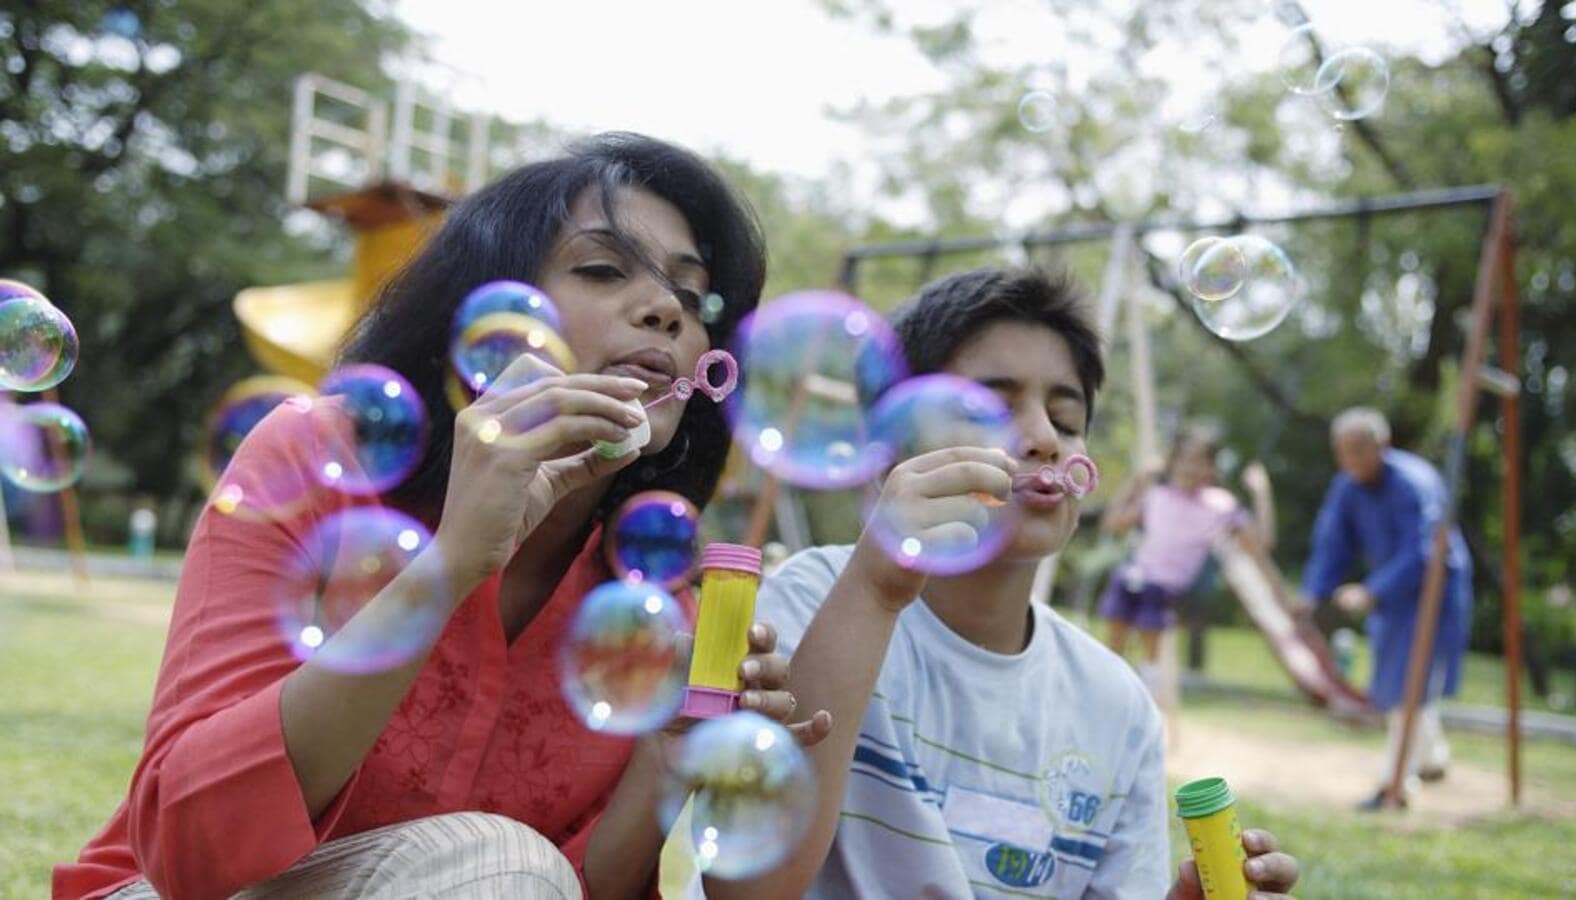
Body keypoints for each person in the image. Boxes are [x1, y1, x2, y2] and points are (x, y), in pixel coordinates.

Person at [54, 133, 828, 900]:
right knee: (503, 861)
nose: (666, 311)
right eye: (602, 269)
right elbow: (187, 849)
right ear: (487, 317)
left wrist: (666, 751)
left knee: (513, 870)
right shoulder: (318, 457)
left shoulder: (656, 603)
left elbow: (575, 889)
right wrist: (451, 562)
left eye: (693, 299)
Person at [706, 269, 1299, 898]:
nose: (1043, 438)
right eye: (992, 405)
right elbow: (747, 887)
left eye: (1066, 419)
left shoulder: (1118, 708)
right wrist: (877, 588)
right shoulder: (812, 598)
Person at [1302, 406, 1472, 810]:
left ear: (1383, 444)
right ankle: (1432, 758)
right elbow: (1332, 541)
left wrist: (1371, 591)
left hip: (1435, 590)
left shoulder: (1413, 484)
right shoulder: (1347, 487)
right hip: (1393, 594)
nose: (1351, 461)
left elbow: (1423, 551)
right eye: (1342, 452)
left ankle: (1394, 784)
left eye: (1359, 450)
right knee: (1401, 681)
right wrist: (1315, 591)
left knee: (1408, 683)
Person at [1098, 427, 1275, 682]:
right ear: (1172, 462)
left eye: (1198, 460)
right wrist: (1136, 479)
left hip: (1168, 588)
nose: (1189, 467)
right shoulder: (1157, 495)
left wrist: (1261, 493)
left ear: (1211, 468)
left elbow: (1261, 544)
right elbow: (1112, 522)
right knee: (1122, 584)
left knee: (1151, 596)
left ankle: (1150, 676)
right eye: (1183, 459)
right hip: (1136, 576)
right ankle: (1108, 670)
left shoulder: (1221, 504)